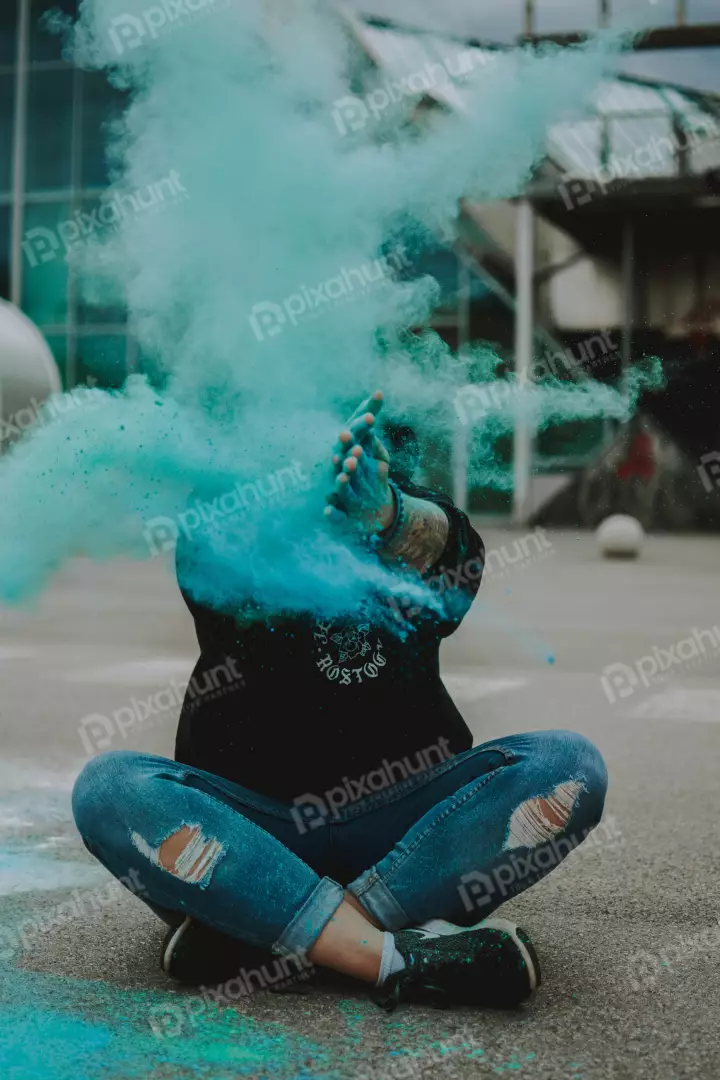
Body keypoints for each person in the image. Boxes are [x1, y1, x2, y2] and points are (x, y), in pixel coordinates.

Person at [72, 391, 607, 1011]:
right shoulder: (228, 515)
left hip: (407, 841)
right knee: (108, 789)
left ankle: (272, 932)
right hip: (254, 838)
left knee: (570, 767)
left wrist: (390, 518)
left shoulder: (407, 517)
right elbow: (212, 563)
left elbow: (455, 562)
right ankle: (389, 956)